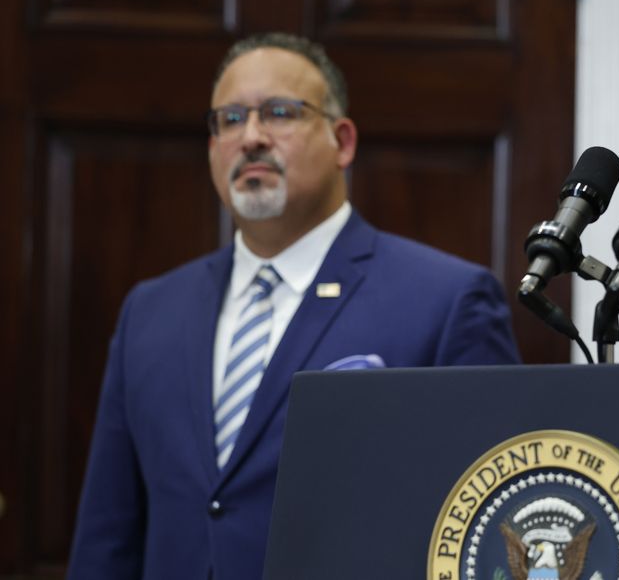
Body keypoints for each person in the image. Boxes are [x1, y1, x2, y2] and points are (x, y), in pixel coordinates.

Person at [67, 33, 520, 579]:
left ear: (343, 141)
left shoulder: (446, 301)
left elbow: (489, 524)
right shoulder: (151, 310)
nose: (251, 137)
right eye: (229, 119)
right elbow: (108, 531)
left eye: (279, 113)